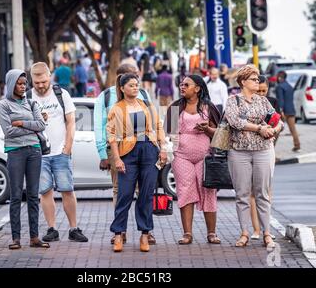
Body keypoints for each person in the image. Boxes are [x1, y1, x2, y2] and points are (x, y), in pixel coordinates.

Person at [94, 63, 157, 245]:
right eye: (130, 78)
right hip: (118, 150)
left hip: (143, 148)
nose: (135, 82)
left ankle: (146, 230)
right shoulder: (106, 97)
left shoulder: (143, 95)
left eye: (136, 77)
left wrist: (159, 146)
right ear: (120, 79)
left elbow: (154, 123)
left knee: (143, 191)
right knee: (121, 191)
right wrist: (104, 154)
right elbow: (100, 127)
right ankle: (120, 232)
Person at [224, 64, 283, 249]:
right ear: (243, 82)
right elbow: (235, 121)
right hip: (238, 151)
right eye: (253, 79)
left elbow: (277, 120)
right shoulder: (233, 100)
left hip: (263, 150)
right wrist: (259, 128)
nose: (257, 81)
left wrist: (273, 130)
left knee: (263, 194)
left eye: (258, 79)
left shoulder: (263, 101)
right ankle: (244, 233)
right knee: (242, 194)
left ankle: (267, 233)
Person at [107, 73, 167, 252]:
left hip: (149, 150)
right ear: (122, 88)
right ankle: (118, 234)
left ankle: (144, 234)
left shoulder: (147, 106)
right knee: (124, 194)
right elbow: (112, 136)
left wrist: (163, 148)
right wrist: (117, 158)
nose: (135, 88)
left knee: (146, 195)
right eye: (131, 85)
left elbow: (159, 127)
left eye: (136, 85)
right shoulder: (117, 108)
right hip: (128, 153)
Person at [29, 62, 89, 243]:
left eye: (44, 81)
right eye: (37, 82)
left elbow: (71, 122)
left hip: (61, 152)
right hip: (39, 154)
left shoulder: (61, 94)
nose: (40, 85)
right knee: (45, 192)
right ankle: (52, 229)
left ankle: (73, 228)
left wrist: (67, 148)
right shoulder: (26, 98)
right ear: (32, 79)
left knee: (67, 190)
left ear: (49, 77)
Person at [165, 75, 221, 245]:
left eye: (186, 85)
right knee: (185, 190)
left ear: (197, 89)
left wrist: (207, 129)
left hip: (205, 157)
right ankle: (187, 233)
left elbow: (220, 135)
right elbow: (170, 134)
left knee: (208, 192)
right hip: (181, 156)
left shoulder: (208, 107)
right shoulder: (175, 107)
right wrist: (168, 151)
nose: (182, 87)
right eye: (181, 84)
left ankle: (211, 233)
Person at [0, 69, 49, 250]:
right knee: (16, 195)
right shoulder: (3, 105)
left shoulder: (32, 103)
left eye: (24, 83)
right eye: (19, 83)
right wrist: (32, 127)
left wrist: (21, 123)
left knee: (34, 195)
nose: (22, 86)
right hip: (15, 152)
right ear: (11, 84)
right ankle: (16, 238)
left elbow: (42, 125)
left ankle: (34, 237)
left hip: (34, 151)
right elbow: (8, 131)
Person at [250, 75, 280, 240]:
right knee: (252, 192)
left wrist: (273, 139)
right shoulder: (246, 102)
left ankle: (266, 228)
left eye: (264, 90)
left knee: (266, 190)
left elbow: (277, 124)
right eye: (258, 90)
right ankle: (256, 229)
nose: (261, 93)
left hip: (267, 149)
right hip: (248, 150)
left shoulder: (272, 103)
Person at [276, 70, 300, 151]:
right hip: (291, 110)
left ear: (279, 78)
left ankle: (272, 147)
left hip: (283, 112)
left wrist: (280, 111)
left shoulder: (280, 87)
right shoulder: (290, 86)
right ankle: (297, 145)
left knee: (277, 129)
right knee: (293, 129)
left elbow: (281, 100)